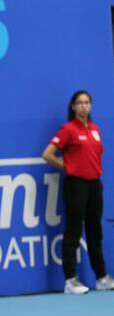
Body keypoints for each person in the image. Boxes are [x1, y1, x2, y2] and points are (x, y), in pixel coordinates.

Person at [42, 90, 114, 294]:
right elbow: (47, 154)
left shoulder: (95, 129)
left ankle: (101, 277)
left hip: (94, 185)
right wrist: (66, 167)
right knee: (73, 232)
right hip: (76, 185)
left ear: (90, 106)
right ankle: (70, 280)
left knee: (95, 232)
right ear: (73, 107)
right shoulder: (68, 129)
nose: (84, 106)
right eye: (79, 103)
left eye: (87, 102)